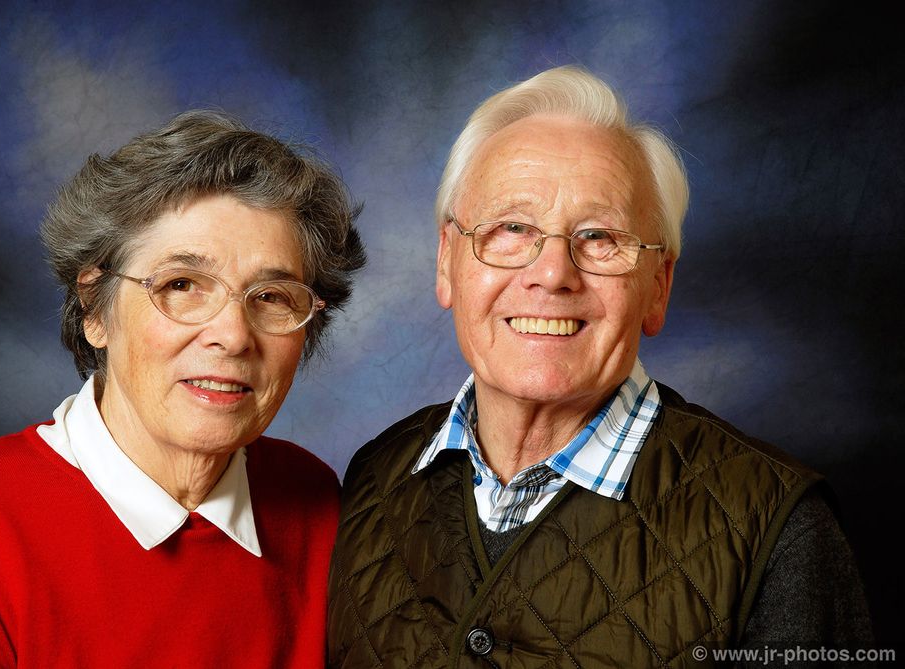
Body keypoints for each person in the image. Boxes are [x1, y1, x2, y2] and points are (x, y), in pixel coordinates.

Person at [327, 66, 872, 667]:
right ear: (447, 261)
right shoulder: (373, 479)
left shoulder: (781, 530)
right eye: (512, 228)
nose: (553, 273)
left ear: (658, 287)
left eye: (599, 237)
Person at [0, 110, 365, 667]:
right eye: (181, 286)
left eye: (271, 296)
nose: (231, 336)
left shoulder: (316, 502)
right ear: (94, 310)